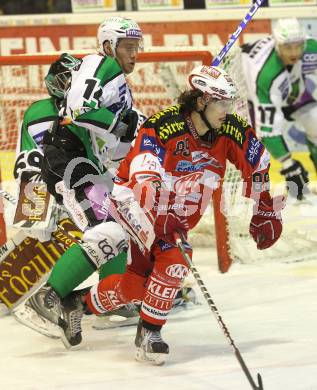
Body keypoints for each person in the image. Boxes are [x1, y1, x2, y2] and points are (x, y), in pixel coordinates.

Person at [53, 64, 284, 363]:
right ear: (202, 101)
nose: (227, 110)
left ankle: (78, 303)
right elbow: (144, 171)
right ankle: (149, 333)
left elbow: (258, 165)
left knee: (136, 285)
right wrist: (157, 210)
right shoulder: (163, 125)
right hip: (135, 204)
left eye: (229, 102)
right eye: (221, 102)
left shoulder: (231, 129)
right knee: (174, 258)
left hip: (177, 214)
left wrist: (265, 208)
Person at [241, 17, 317, 200]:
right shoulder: (266, 74)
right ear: (277, 45)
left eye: (298, 46)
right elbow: (269, 132)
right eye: (288, 47)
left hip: (293, 91)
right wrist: (289, 166)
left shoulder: (310, 49)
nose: (294, 52)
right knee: (254, 143)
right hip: (256, 96)